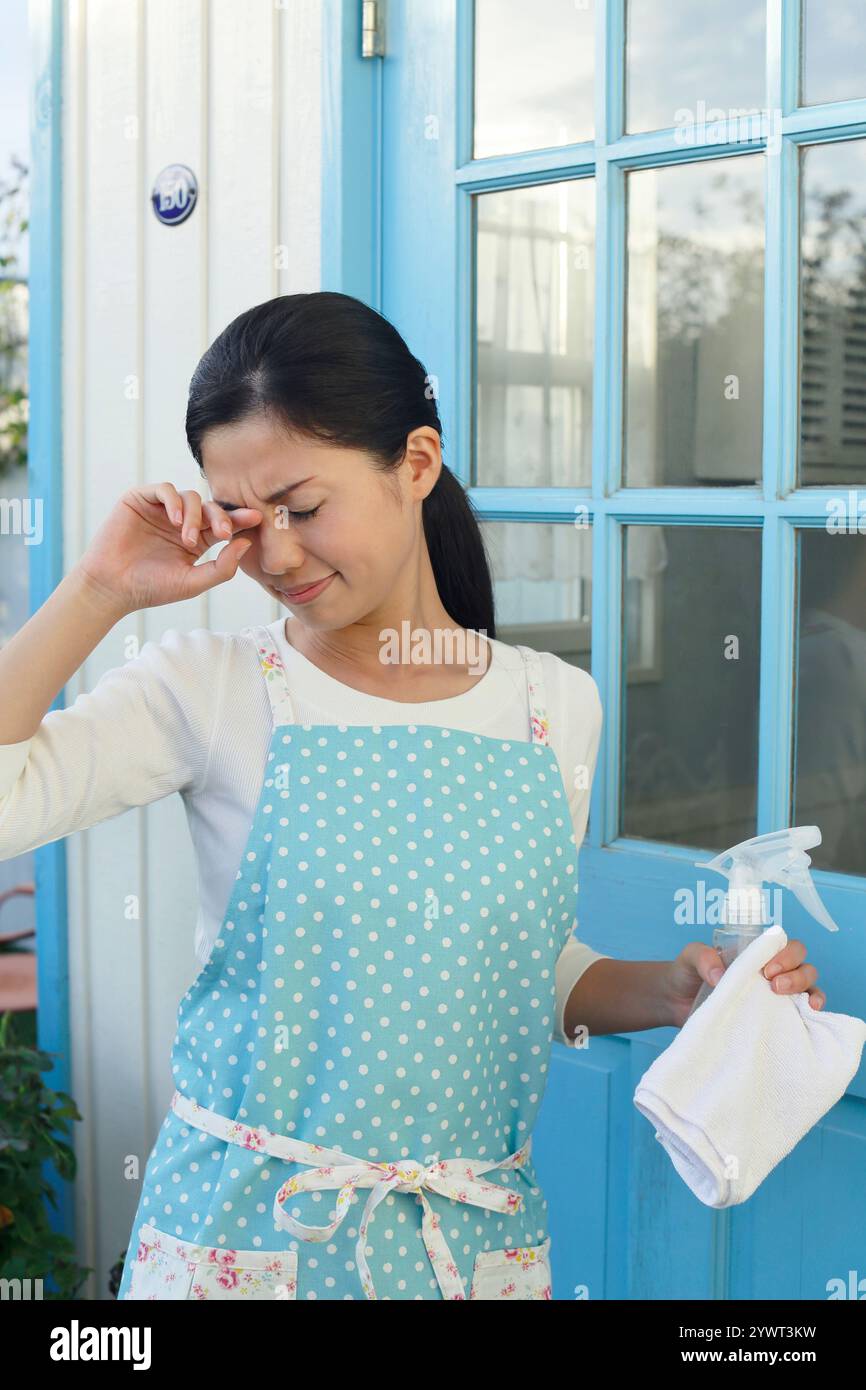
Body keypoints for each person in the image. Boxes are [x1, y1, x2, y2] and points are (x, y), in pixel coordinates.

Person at [0, 291, 824, 1300]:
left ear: (417, 464)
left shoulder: (549, 707)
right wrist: (99, 590)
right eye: (247, 523)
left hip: (471, 1253)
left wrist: (669, 990)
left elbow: (515, 959)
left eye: (303, 507)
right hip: (242, 1250)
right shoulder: (208, 688)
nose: (279, 555)